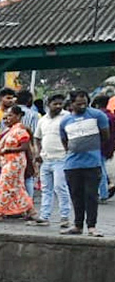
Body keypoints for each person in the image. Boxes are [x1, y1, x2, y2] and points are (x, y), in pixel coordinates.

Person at [60, 89, 112, 236]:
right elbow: (65, 141)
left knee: (91, 196)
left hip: (92, 164)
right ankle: (77, 225)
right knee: (76, 196)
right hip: (72, 165)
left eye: (84, 103)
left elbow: (105, 135)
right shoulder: (65, 121)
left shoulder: (97, 116)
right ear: (71, 104)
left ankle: (91, 226)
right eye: (78, 103)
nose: (82, 106)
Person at [0, 106, 36, 223]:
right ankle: (31, 211)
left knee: (4, 187)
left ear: (18, 116)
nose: (6, 119)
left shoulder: (20, 130)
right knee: (16, 188)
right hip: (9, 162)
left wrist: (8, 150)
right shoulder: (11, 130)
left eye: (10, 116)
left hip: (15, 163)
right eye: (5, 117)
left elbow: (24, 146)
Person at [34, 93, 72, 229]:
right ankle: (44, 216)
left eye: (60, 104)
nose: (58, 106)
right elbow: (37, 138)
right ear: (48, 104)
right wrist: (38, 153)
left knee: (60, 188)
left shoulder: (67, 117)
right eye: (55, 104)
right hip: (46, 159)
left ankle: (64, 217)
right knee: (46, 189)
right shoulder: (43, 120)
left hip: (61, 158)